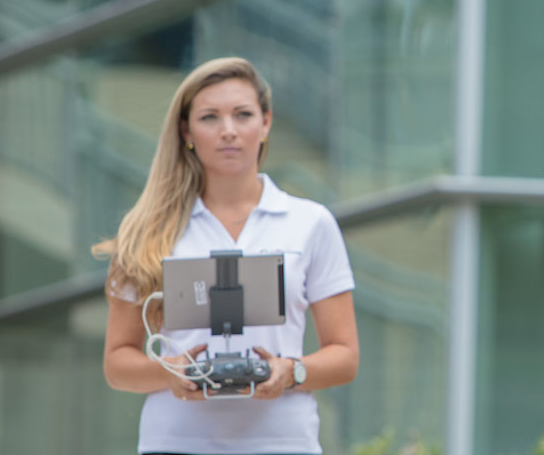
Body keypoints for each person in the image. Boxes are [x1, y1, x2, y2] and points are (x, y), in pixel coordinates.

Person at [93, 56, 359, 455]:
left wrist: (290, 372)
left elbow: (345, 355)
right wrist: (170, 372)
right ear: (186, 131)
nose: (229, 131)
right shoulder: (146, 229)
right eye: (210, 117)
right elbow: (117, 364)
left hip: (283, 444)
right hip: (176, 443)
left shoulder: (311, 223)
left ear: (266, 123)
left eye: (243, 114)